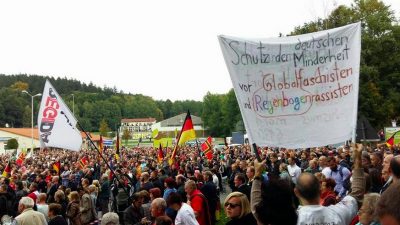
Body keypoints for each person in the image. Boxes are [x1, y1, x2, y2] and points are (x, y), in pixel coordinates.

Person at [252, 143, 365, 225]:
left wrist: (257, 176)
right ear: (320, 189)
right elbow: (357, 194)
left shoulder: (289, 219)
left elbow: (257, 210)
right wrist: (358, 160)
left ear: (296, 192)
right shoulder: (338, 213)